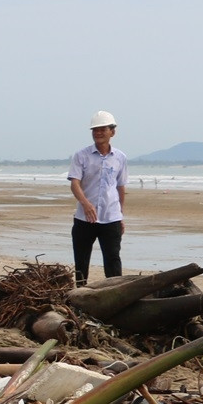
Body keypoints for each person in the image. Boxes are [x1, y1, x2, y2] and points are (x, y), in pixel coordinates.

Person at [69, 111, 128, 286]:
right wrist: (86, 204)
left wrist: (120, 215)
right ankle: (80, 294)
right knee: (81, 262)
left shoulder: (120, 157)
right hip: (84, 219)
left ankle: (116, 294)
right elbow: (74, 183)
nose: (98, 133)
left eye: (102, 129)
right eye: (95, 130)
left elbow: (120, 187)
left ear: (112, 132)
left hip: (111, 218)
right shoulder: (81, 155)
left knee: (113, 261)